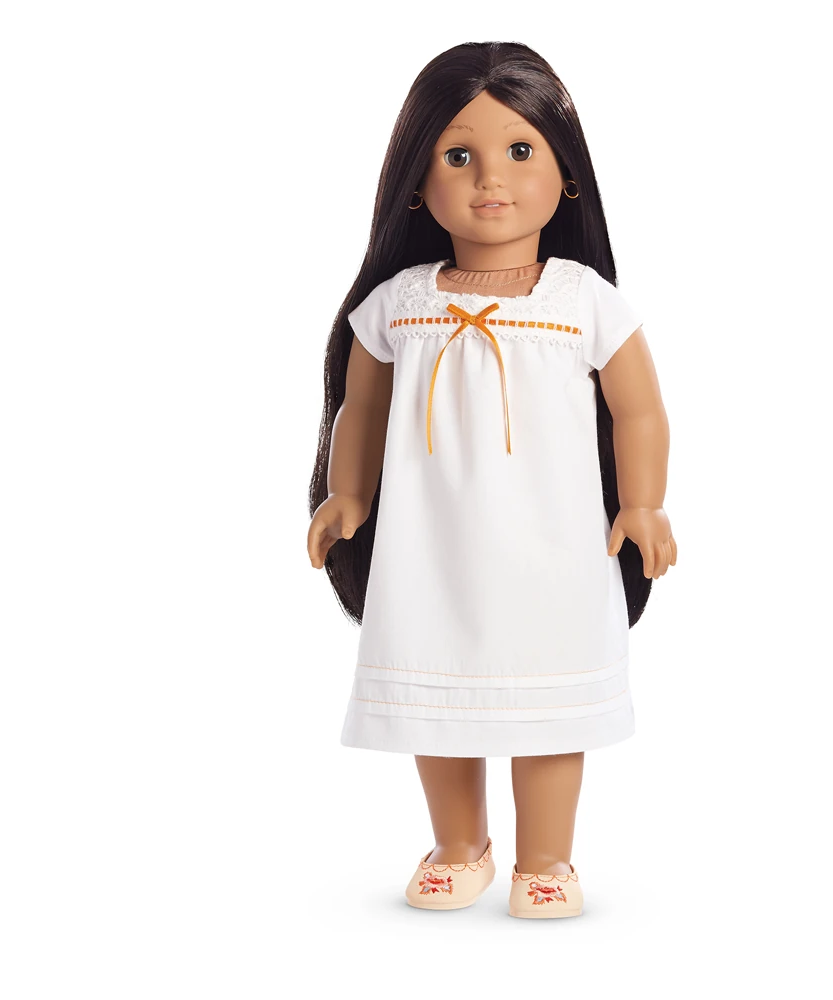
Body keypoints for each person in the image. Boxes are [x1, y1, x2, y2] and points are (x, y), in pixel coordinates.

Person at [307, 41, 677, 918]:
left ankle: (546, 858)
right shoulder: (400, 302)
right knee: (436, 686)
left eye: (519, 150)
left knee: (549, 701)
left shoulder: (580, 299)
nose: (490, 180)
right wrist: (347, 493)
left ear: (567, 174)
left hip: (553, 547)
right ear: (415, 181)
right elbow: (361, 407)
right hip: (430, 547)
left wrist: (644, 503)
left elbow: (639, 410)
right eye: (457, 155)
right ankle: (459, 844)